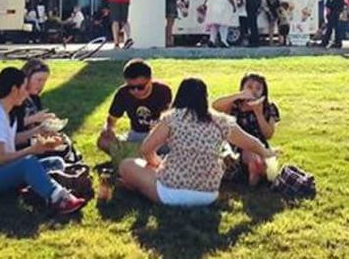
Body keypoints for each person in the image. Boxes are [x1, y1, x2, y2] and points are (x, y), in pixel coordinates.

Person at [118, 78, 278, 207]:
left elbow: (146, 149)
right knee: (146, 172)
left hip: (171, 192)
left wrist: (155, 163)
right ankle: (138, 186)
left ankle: (137, 187)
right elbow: (251, 142)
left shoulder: (172, 118)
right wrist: (266, 153)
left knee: (127, 165)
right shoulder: (220, 120)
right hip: (209, 194)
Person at [0, 66, 85, 215]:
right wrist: (32, 150)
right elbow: (1, 159)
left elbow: (11, 139)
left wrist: (38, 131)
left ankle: (39, 188)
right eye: (24, 88)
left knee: (55, 162)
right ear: (14, 90)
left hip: (0, 171)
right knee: (28, 163)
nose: (27, 93)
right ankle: (59, 199)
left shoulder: (8, 112)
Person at [97, 59, 173, 162]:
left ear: (150, 80)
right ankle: (145, 157)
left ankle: (133, 157)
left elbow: (168, 120)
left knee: (174, 143)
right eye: (131, 87)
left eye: (141, 87)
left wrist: (157, 129)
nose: (135, 91)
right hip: (135, 135)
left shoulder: (162, 91)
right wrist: (109, 129)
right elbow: (111, 119)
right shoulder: (122, 93)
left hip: (157, 136)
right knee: (102, 141)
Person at [212, 73, 281, 186]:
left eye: (258, 88)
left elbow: (268, 134)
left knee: (258, 155)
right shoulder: (234, 105)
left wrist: (258, 113)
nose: (253, 91)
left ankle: (256, 172)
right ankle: (255, 173)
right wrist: (237, 96)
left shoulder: (269, 108)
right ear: (242, 89)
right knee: (251, 153)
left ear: (263, 92)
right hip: (237, 145)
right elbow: (215, 106)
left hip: (260, 145)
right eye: (249, 87)